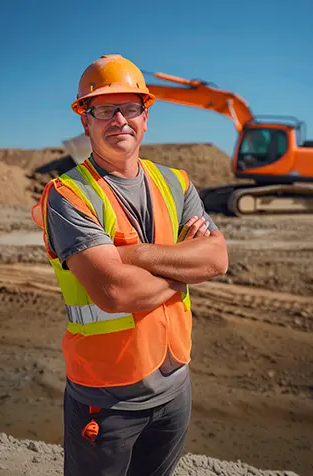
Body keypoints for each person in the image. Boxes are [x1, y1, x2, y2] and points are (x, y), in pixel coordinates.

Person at [31, 54, 229, 476]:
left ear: (145, 116)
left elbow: (216, 257)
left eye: (131, 107)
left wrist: (132, 255)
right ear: (86, 120)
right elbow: (115, 293)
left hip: (175, 388)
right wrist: (182, 267)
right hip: (107, 401)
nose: (120, 119)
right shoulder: (69, 196)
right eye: (105, 109)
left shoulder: (176, 183)